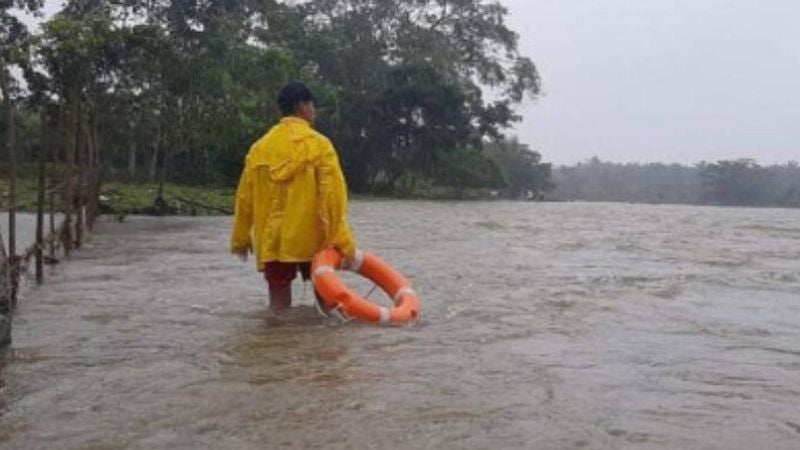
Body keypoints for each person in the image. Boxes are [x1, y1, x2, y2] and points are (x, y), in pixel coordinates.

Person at [230, 81, 356, 312]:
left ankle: (278, 345)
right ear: (302, 106)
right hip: (312, 236)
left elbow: (244, 198)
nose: (314, 111)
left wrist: (240, 239)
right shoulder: (319, 145)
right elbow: (334, 198)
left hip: (273, 240)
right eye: (312, 105)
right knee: (327, 305)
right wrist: (344, 241)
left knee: (278, 311)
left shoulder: (259, 148)